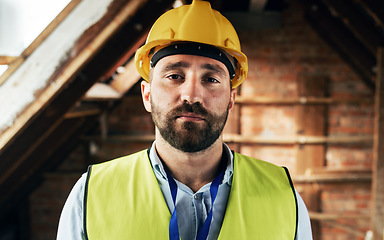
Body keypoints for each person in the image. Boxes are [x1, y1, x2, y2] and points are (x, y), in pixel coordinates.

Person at [57, 1, 313, 239]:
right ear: (147, 95)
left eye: (211, 79)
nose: (191, 95)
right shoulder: (89, 197)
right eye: (175, 76)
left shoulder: (286, 199)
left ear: (231, 100)